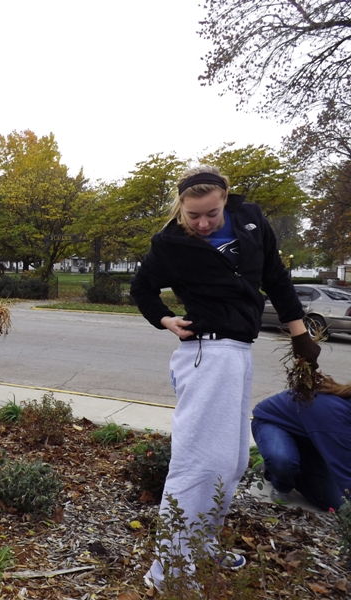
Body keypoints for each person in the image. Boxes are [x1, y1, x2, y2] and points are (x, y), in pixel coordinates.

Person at [129, 166, 321, 590]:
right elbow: (141, 288)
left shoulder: (251, 220)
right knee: (198, 464)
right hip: (205, 354)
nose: (202, 223)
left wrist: (299, 335)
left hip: (238, 352)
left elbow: (276, 277)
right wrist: (165, 319)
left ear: (226, 199)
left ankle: (200, 546)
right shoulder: (170, 243)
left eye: (211, 214)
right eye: (193, 215)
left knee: (231, 462)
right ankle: (169, 573)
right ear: (181, 207)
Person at [252, 375, 351, 511]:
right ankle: (278, 477)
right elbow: (344, 469)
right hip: (274, 424)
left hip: (311, 438)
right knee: (282, 461)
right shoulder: (335, 417)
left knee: (338, 502)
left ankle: (295, 462)